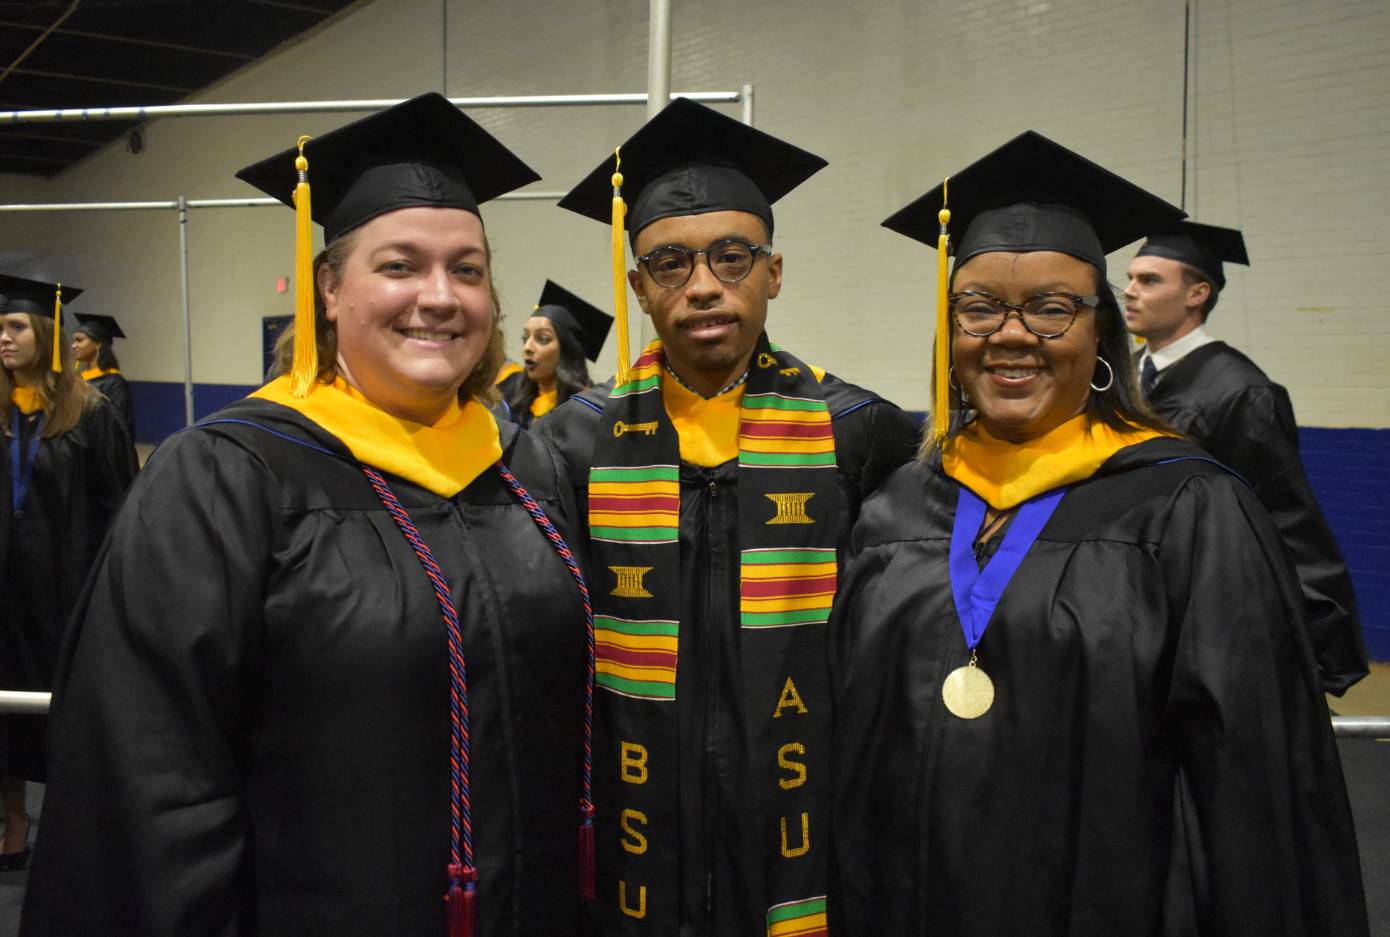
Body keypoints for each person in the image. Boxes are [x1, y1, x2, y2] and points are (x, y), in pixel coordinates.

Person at [21, 93, 596, 937]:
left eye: (466, 269)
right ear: (329, 288)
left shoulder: (526, 468)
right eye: (399, 265)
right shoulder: (225, 479)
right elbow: (150, 788)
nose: (440, 296)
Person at [830, 131, 1368, 936]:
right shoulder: (896, 505)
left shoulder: (1187, 507)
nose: (1012, 334)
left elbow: (1253, 786)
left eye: (1052, 308)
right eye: (978, 307)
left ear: (1098, 332)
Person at [541, 98, 921, 937]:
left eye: (732, 256)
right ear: (639, 286)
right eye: (670, 262)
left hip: (804, 826)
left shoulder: (861, 432)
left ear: (774, 272)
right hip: (635, 833)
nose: (704, 284)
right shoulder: (568, 444)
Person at [1125, 223, 1366, 694]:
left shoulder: (1240, 391)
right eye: (1131, 278)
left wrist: (1311, 632)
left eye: (1150, 280)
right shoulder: (1128, 377)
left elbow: (1284, 518)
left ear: (1197, 293)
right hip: (1138, 599)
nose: (1130, 292)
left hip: (1208, 611)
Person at [0, 275, 137, 871]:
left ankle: (73, 834)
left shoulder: (92, 416)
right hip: (4, 600)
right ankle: (11, 824)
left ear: (47, 333)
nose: (2, 337)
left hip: (66, 593)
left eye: (15, 326)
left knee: (69, 721)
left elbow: (121, 508)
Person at [503, 280, 612, 428]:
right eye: (525, 338)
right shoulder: (511, 400)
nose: (527, 347)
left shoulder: (585, 408)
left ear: (567, 350)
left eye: (542, 339)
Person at [71, 313, 137, 441]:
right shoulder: (79, 379)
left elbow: (118, 427)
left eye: (79, 340)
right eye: (74, 341)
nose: (73, 345)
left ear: (98, 344)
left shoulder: (114, 383)